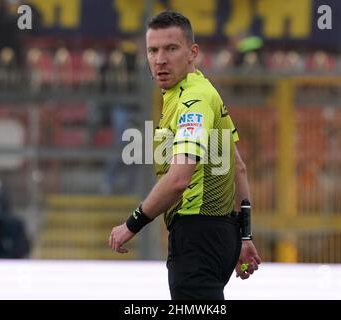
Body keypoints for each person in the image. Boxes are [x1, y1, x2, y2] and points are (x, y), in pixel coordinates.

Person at [109, 11, 261, 300]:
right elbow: (238, 167)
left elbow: (179, 178)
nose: (160, 60)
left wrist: (132, 225)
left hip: (198, 233)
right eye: (152, 50)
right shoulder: (196, 91)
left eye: (171, 49)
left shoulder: (194, 100)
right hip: (216, 232)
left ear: (192, 53)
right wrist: (245, 236)